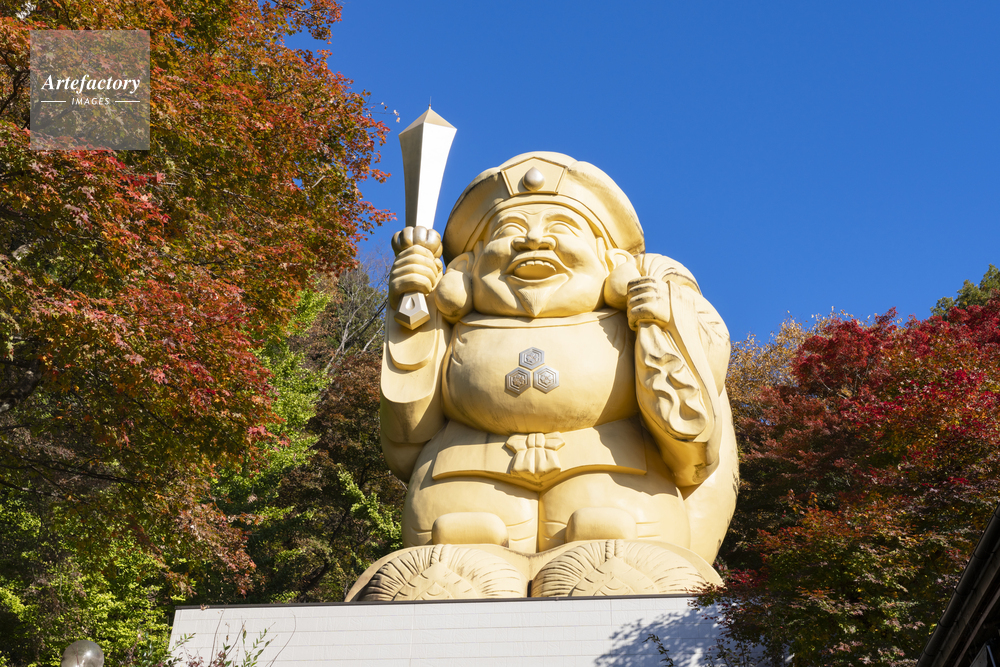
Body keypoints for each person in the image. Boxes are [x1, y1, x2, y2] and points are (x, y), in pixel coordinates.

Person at [374, 152, 737, 597]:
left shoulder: (629, 316)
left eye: (562, 227)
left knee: (617, 566)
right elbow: (408, 434)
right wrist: (413, 315)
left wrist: (663, 320)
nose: (533, 240)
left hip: (612, 468)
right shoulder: (454, 326)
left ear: (610, 259)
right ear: (470, 264)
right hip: (464, 472)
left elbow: (692, 437)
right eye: (508, 230)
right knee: (447, 571)